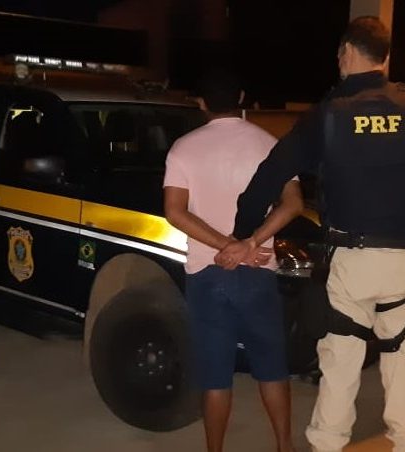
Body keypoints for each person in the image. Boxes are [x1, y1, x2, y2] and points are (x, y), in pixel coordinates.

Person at [216, 16, 405, 452]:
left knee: (341, 361)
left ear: (347, 53)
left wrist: (244, 233)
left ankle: (328, 445)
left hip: (352, 262)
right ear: (384, 58)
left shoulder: (329, 114)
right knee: (403, 357)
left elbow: (270, 175)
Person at [163, 69, 302, 452]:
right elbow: (293, 203)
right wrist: (249, 243)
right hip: (258, 270)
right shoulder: (270, 144)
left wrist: (227, 246)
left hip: (208, 275)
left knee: (215, 378)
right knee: (272, 369)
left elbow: (174, 211)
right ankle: (284, 445)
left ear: (201, 103)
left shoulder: (183, 148)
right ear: (241, 97)